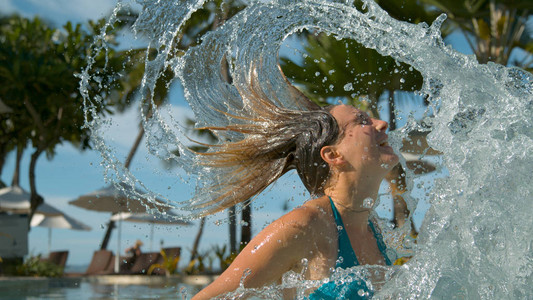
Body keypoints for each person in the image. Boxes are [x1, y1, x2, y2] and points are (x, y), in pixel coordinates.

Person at [190, 96, 400, 298]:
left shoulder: (374, 228)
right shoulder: (303, 226)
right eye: (362, 121)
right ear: (333, 155)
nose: (382, 124)